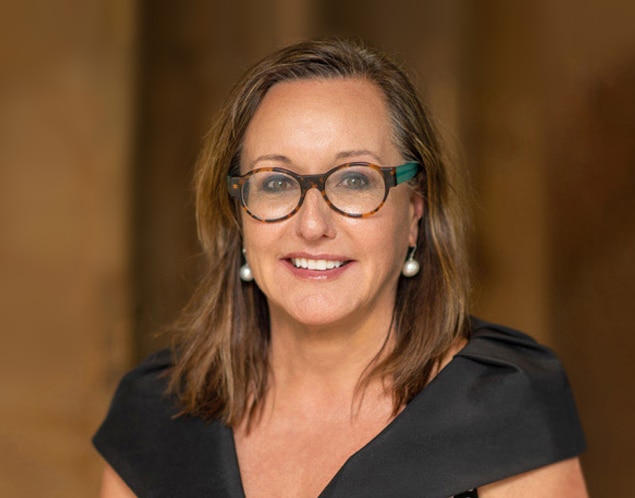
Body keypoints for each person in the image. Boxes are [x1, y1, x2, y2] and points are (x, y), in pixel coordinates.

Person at [94, 37, 587, 497]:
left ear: (414, 213)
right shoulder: (153, 415)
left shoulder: (506, 410)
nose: (312, 225)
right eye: (275, 182)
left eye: (355, 180)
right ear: (238, 215)